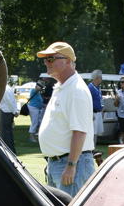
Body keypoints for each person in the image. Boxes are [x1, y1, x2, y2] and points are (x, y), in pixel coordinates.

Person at [35, 41, 95, 194]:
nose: (46, 62)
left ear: (67, 61)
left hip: (72, 164)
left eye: (51, 58)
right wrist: (53, 159)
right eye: (45, 59)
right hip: (61, 163)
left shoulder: (76, 90)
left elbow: (80, 132)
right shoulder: (63, 87)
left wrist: (70, 165)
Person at [0, 82, 17, 151]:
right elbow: (13, 100)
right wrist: (14, 110)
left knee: (5, 132)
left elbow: (8, 101)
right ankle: (12, 148)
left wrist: (14, 111)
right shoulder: (9, 88)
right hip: (10, 111)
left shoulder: (4, 89)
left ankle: (7, 149)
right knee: (9, 131)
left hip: (6, 111)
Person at [88, 70, 104, 140]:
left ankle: (94, 147)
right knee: (93, 131)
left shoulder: (98, 88)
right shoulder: (90, 87)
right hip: (94, 113)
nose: (101, 79)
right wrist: (91, 113)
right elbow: (88, 101)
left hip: (99, 112)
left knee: (96, 132)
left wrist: (102, 111)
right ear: (97, 78)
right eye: (100, 77)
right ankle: (91, 148)